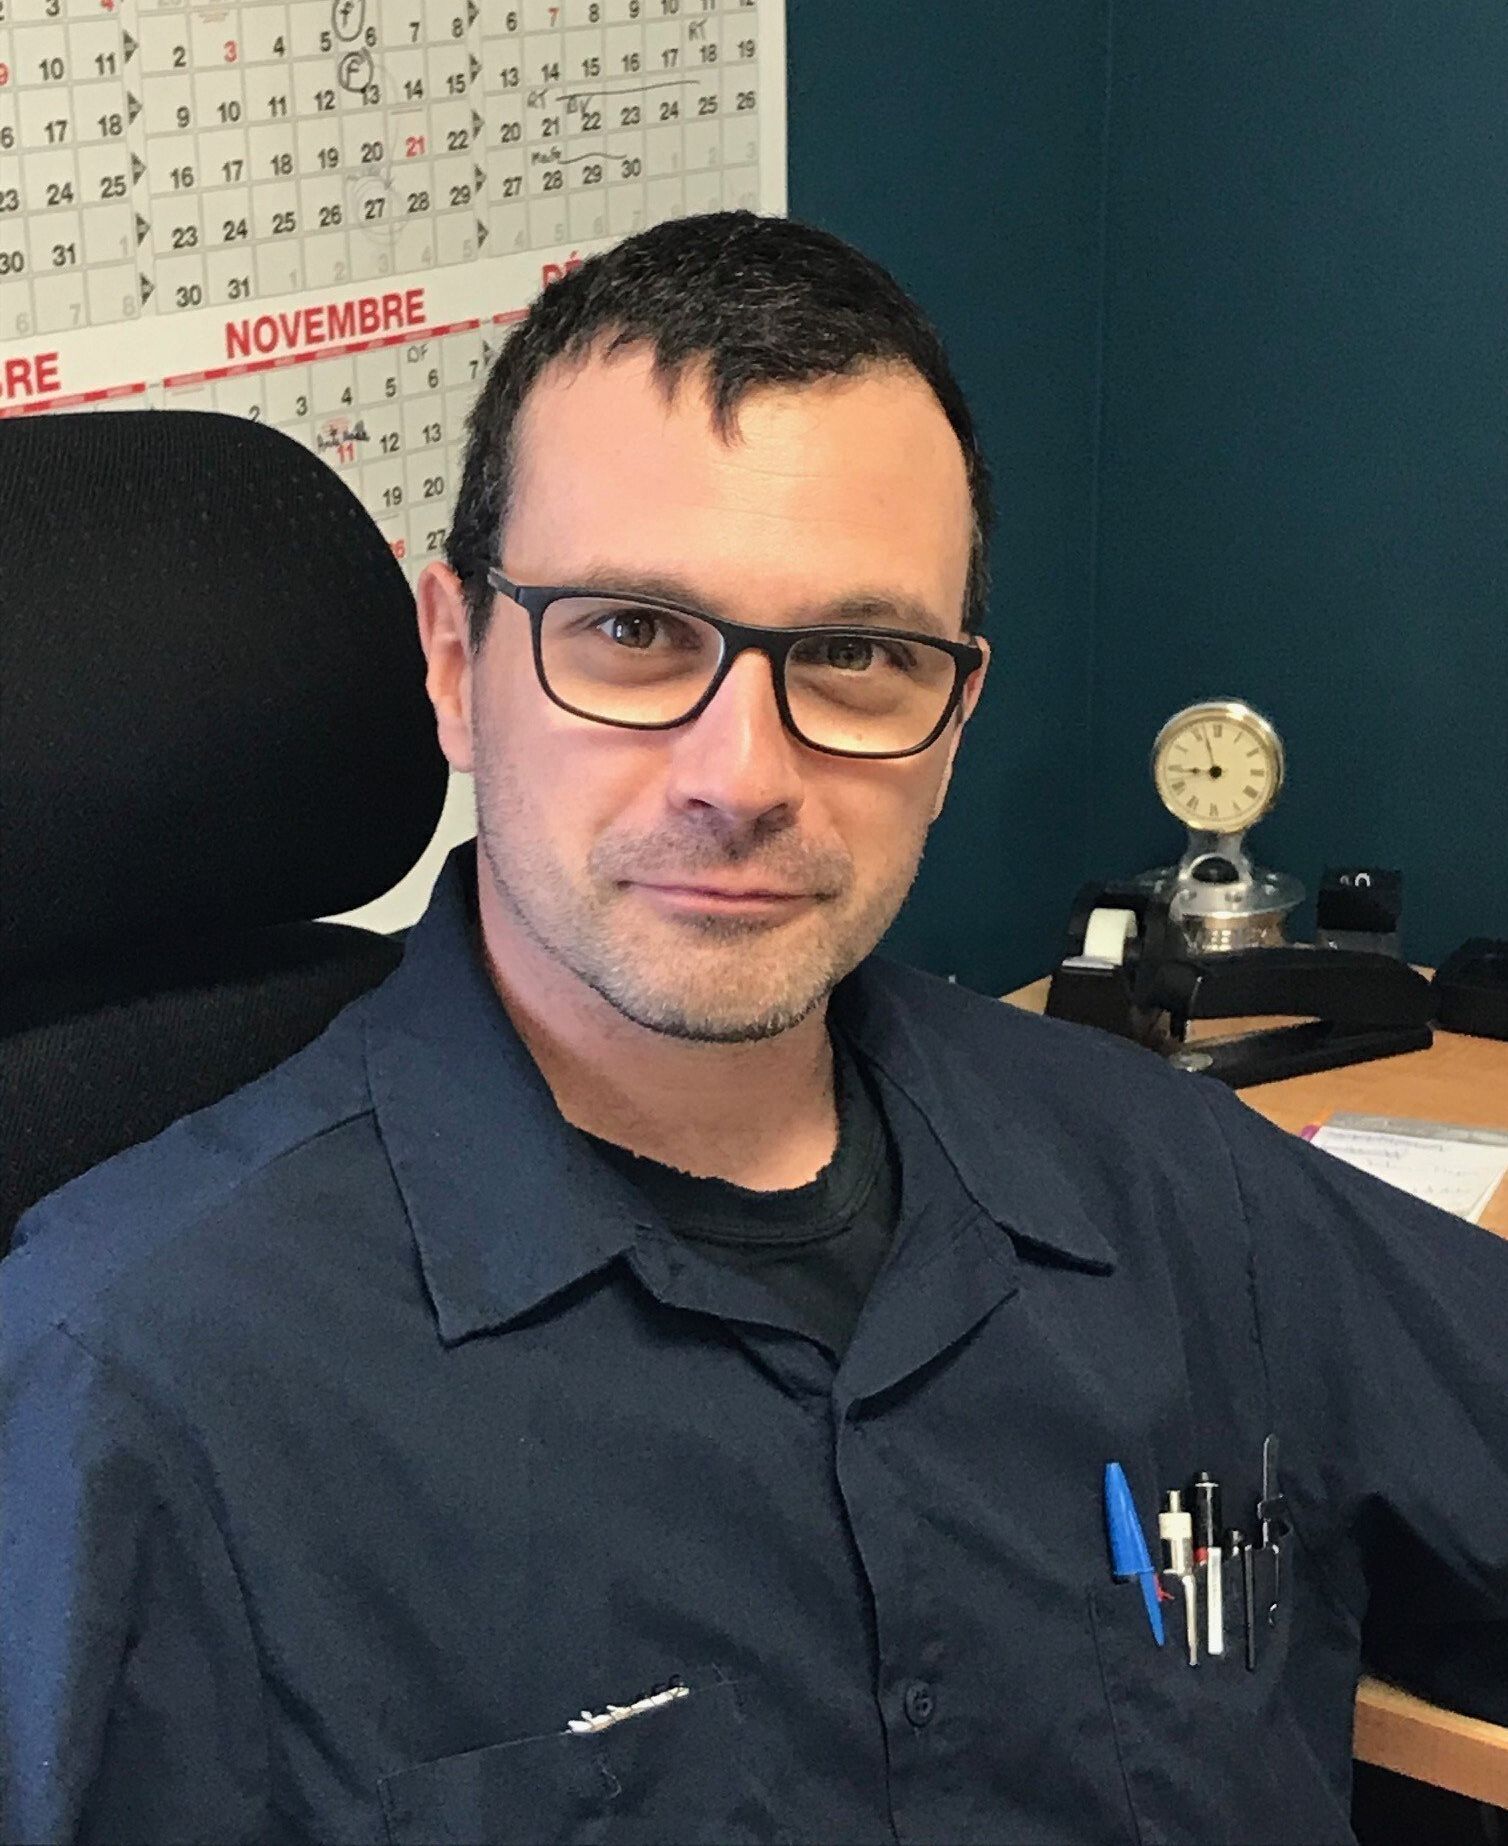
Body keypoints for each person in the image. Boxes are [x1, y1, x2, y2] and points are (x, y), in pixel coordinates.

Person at [1, 211, 1504, 1846]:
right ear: (456, 663)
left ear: (954, 713)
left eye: (856, 655)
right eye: (635, 633)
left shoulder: (1168, 1177)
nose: (744, 774)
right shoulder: (138, 1391)